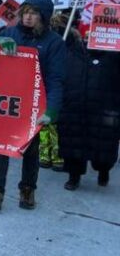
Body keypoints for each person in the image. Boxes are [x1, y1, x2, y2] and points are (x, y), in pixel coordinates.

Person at [0, 0, 66, 210]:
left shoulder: (54, 42)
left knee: (31, 150)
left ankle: (27, 190)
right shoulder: (8, 33)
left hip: (35, 103)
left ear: (43, 18)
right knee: (0, 146)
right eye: (26, 11)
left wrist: (51, 110)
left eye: (34, 13)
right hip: (6, 100)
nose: (28, 16)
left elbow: (56, 79)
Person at [53, 16, 120, 190]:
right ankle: (74, 176)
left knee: (103, 147)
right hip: (74, 107)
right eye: (87, 33)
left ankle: (103, 170)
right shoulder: (70, 52)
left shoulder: (114, 57)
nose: (90, 36)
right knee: (73, 145)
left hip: (105, 109)